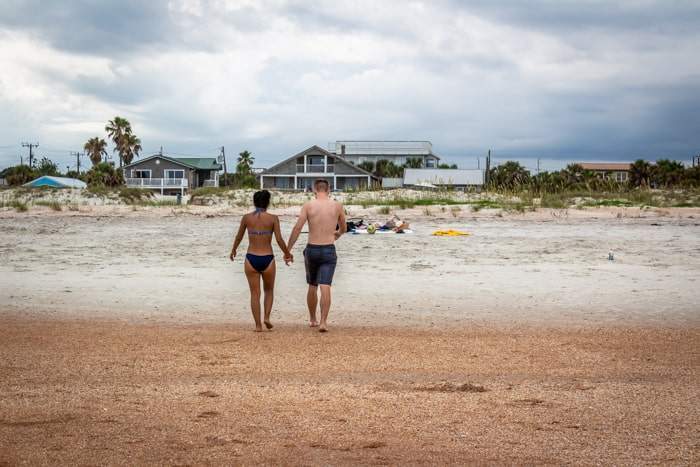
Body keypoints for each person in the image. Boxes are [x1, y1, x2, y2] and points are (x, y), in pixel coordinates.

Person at [287, 179, 346, 332]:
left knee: (312, 285)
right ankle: (323, 322)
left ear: (314, 190)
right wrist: (338, 234)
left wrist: (288, 250)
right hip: (328, 249)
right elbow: (344, 228)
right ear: (329, 189)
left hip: (312, 249)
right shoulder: (337, 205)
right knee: (325, 285)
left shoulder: (308, 205)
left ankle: (312, 319)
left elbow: (298, 228)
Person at [230, 190, 292, 332]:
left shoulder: (246, 218)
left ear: (254, 202)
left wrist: (233, 249)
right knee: (269, 290)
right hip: (268, 258)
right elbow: (279, 239)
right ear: (268, 202)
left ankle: (258, 326)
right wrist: (287, 253)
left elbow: (239, 236)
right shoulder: (273, 218)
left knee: (254, 293)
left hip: (251, 258)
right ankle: (267, 318)